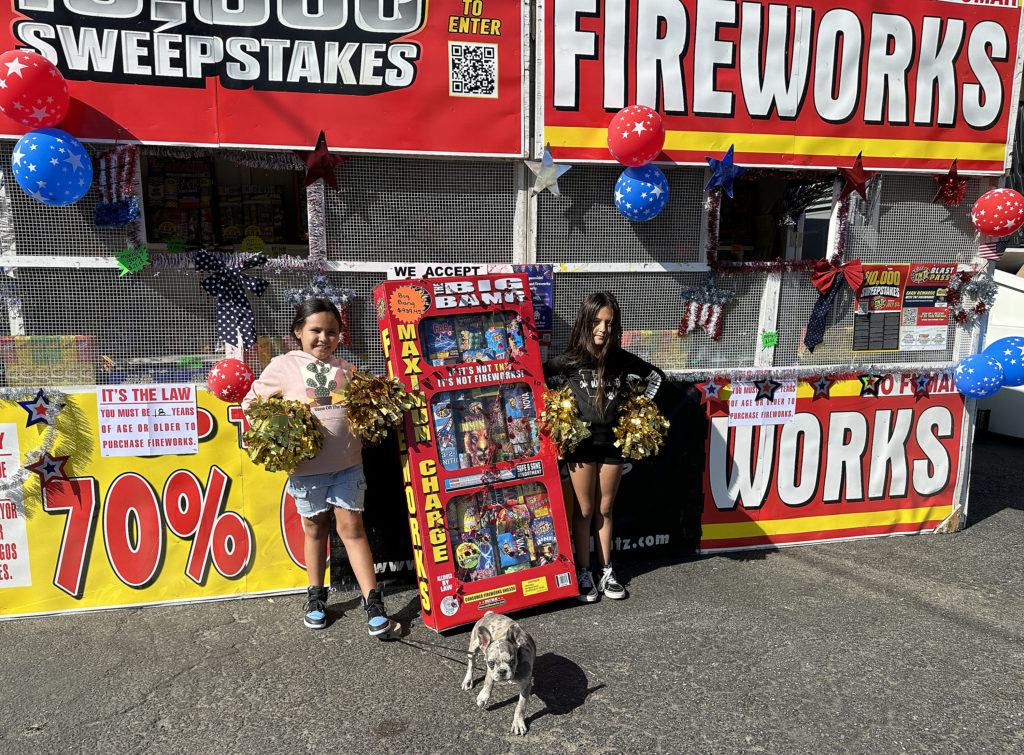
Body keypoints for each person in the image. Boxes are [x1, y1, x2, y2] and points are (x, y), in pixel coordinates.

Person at [243, 297, 396, 636]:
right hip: (307, 471)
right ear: (298, 331)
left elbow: (365, 405)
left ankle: (373, 601)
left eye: (332, 332)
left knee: (352, 530)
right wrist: (285, 424)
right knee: (315, 529)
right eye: (315, 330)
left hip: (348, 466)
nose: (323, 338)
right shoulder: (282, 366)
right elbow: (252, 404)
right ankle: (315, 596)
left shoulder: (345, 368)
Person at [544, 291, 665, 602]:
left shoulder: (620, 359)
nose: (603, 328)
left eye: (609, 323)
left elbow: (656, 378)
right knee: (584, 510)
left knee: (605, 509)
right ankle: (583, 571)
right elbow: (538, 380)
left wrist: (636, 412)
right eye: (597, 321)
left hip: (612, 447)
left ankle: (606, 570)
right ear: (586, 322)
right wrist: (558, 411)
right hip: (580, 448)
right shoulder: (569, 361)